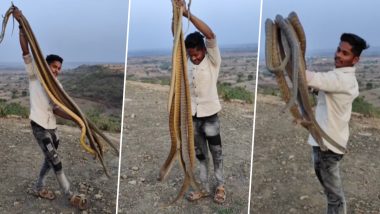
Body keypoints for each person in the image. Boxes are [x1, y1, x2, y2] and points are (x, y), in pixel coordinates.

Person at [13, 8, 88, 210]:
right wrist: (21, 25)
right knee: (55, 160)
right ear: (46, 66)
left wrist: (76, 118)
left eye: (59, 68)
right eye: (54, 66)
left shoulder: (58, 87)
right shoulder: (34, 74)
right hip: (38, 124)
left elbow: (57, 109)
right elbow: (26, 51)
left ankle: (39, 186)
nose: (57, 70)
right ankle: (70, 194)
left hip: (52, 127)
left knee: (49, 157)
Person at [306, 33, 369, 214]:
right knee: (332, 194)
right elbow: (326, 91)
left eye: (345, 53)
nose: (339, 55)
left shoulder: (342, 79)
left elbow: (312, 78)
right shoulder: (343, 78)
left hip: (328, 148)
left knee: (335, 198)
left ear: (355, 59)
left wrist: (294, 62)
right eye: (338, 50)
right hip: (327, 145)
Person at [175, 0, 225, 204]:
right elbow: (175, 36)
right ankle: (204, 187)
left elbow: (210, 34)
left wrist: (187, 15)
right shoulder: (186, 60)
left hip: (211, 115)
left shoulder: (213, 60)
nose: (194, 58)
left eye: (196, 54)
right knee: (200, 154)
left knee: (216, 152)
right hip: (192, 117)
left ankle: (220, 185)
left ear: (203, 50)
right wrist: (176, 13)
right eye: (191, 55)